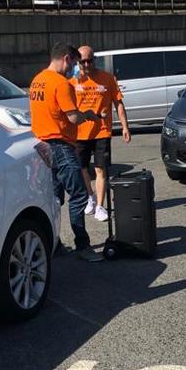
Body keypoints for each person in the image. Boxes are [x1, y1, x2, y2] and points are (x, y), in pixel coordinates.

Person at [29, 42, 104, 261]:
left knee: (53, 198)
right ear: (67, 59)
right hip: (60, 145)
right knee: (80, 195)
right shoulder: (61, 83)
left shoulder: (36, 81)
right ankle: (82, 245)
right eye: (75, 63)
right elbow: (72, 117)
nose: (75, 69)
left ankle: (55, 244)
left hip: (40, 145)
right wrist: (88, 115)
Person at [72, 45, 131, 220]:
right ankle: (90, 197)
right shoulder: (73, 81)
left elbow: (118, 103)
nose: (86, 64)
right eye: (82, 62)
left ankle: (100, 206)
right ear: (77, 62)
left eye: (89, 60)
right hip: (80, 133)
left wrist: (125, 127)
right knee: (82, 168)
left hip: (102, 132)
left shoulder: (107, 78)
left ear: (94, 60)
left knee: (100, 169)